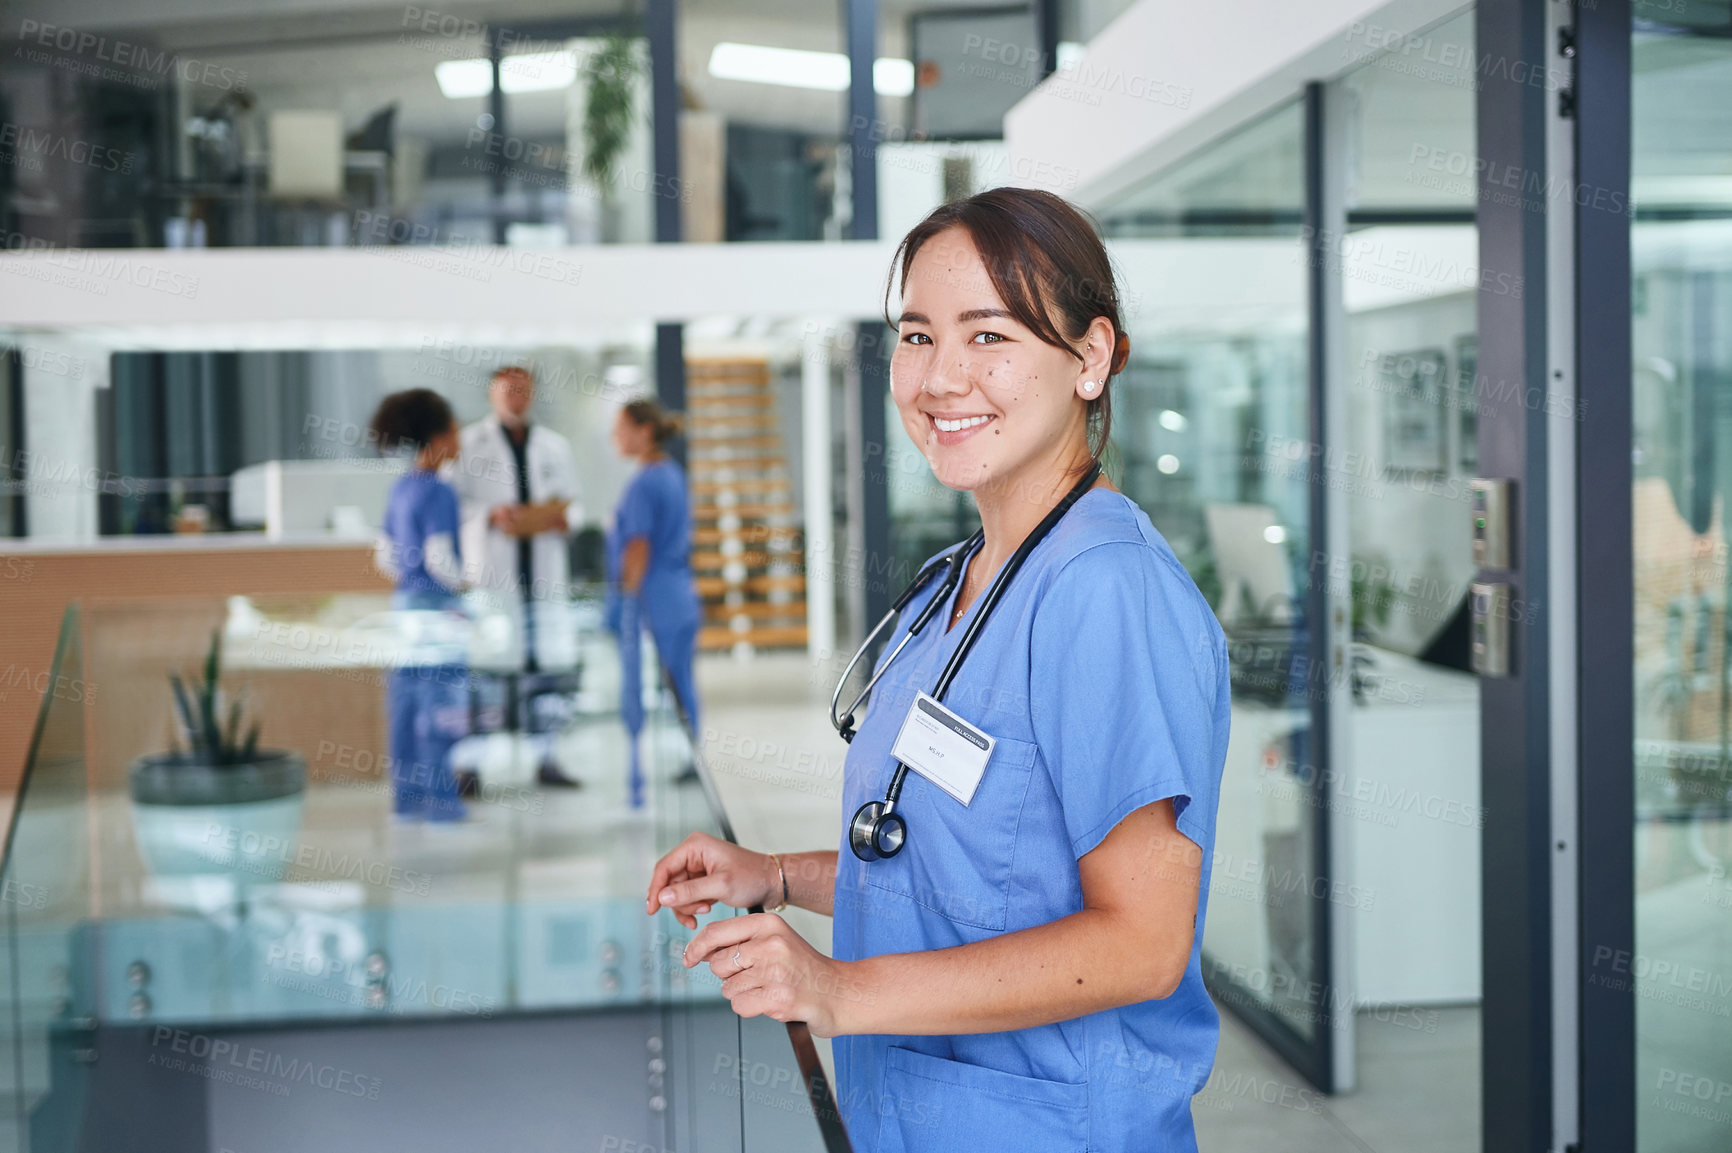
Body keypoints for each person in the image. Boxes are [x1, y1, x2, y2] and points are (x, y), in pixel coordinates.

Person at [644, 188, 1231, 1151]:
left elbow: (1143, 940)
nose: (940, 378)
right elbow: (956, 863)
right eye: (915, 335)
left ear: (1090, 358)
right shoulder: (962, 579)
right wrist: (777, 875)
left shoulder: (1105, 592)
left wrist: (837, 987)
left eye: (989, 336)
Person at [449, 364, 583, 787]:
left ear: (533, 394)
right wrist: (490, 515)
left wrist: (566, 520)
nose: (515, 397)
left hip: (541, 572)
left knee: (546, 673)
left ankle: (548, 760)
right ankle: (471, 768)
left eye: (523, 390)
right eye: (507, 390)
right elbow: (455, 507)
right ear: (492, 394)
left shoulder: (554, 446)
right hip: (495, 575)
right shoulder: (470, 444)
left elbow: (574, 504)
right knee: (488, 676)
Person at [370, 388, 469, 822]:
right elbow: (440, 559)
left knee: (405, 707)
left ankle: (406, 802)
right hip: (438, 611)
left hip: (405, 608)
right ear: (441, 437)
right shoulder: (440, 492)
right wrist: (468, 586)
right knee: (440, 709)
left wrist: (412, 584)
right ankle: (443, 806)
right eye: (456, 431)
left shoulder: (401, 488)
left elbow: (385, 556)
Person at [607, 399, 702, 809]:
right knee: (680, 683)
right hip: (679, 594)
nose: (616, 438)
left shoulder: (644, 483)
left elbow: (638, 548)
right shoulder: (672, 474)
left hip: (652, 597)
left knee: (641, 688)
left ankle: (639, 778)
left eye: (621, 429)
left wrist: (624, 600)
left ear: (644, 431)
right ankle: (689, 760)